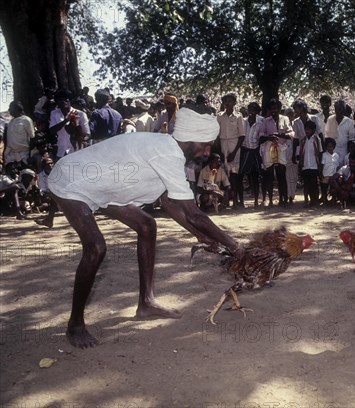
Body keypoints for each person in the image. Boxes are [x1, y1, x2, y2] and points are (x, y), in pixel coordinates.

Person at [47, 107, 240, 349]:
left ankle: (146, 304)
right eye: (205, 144)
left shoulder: (171, 151)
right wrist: (236, 247)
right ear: (190, 139)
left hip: (105, 188)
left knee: (147, 225)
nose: (206, 151)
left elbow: (169, 201)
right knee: (96, 247)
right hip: (71, 181)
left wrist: (202, 238)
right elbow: (194, 214)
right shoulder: (167, 154)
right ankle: (75, 325)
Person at [216, 93, 245, 208]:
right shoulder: (219, 116)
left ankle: (236, 201)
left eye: (230, 101)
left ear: (234, 103)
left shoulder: (238, 116)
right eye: (226, 101)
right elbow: (217, 135)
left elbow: (242, 136)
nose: (228, 103)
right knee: (224, 174)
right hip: (223, 145)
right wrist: (221, 151)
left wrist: (234, 152)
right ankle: (225, 200)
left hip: (234, 145)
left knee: (234, 174)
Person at [49, 89, 90, 158]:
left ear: (70, 100)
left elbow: (87, 134)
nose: (63, 101)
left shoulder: (81, 114)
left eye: (65, 99)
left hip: (77, 150)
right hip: (61, 150)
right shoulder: (54, 113)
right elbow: (52, 130)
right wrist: (66, 120)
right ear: (57, 102)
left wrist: (80, 135)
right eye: (60, 100)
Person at [298, 120, 322, 207]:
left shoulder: (316, 139)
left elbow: (319, 152)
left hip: (314, 166)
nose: (307, 131)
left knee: (314, 184)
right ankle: (306, 200)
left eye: (309, 129)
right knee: (306, 184)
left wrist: (319, 165)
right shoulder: (303, 140)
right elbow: (301, 153)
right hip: (305, 165)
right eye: (306, 129)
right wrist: (300, 164)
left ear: (313, 130)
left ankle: (314, 200)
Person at [4, 101, 35, 165]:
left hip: (23, 154)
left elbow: (32, 138)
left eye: (11, 108)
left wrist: (29, 154)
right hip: (11, 154)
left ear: (17, 109)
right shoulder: (11, 122)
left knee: (23, 172)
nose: (9, 110)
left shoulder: (26, 120)